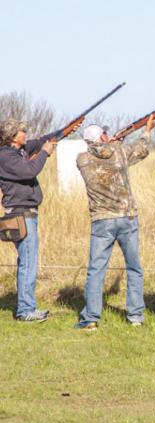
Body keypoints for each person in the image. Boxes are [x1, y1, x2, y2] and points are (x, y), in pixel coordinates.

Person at [74, 115, 155, 331]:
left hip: (101, 221)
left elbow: (100, 151)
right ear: (102, 136)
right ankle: (136, 316)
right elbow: (141, 150)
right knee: (134, 268)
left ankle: (91, 318)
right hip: (127, 217)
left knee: (96, 270)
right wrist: (147, 130)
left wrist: (112, 141)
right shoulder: (119, 151)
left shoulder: (82, 159)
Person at [0, 119, 76, 322]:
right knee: (28, 262)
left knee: (27, 260)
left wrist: (64, 132)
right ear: (12, 136)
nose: (25, 133)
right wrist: (45, 152)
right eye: (22, 131)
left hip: (26, 213)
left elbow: (43, 140)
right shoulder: (6, 156)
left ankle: (26, 307)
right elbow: (30, 170)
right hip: (21, 214)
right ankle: (26, 310)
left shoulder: (19, 150)